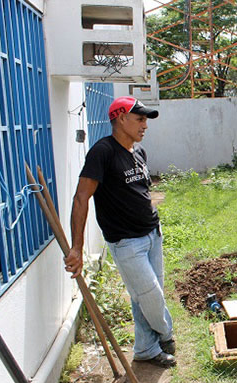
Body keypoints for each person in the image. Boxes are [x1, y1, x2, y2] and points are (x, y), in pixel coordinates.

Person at [64, 96, 176, 368]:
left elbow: (141, 191)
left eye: (145, 120)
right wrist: (77, 247)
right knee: (151, 295)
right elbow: (81, 198)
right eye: (140, 119)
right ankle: (165, 333)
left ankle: (146, 348)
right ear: (121, 118)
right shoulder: (102, 152)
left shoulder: (138, 152)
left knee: (142, 296)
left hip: (152, 233)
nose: (145, 125)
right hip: (126, 242)